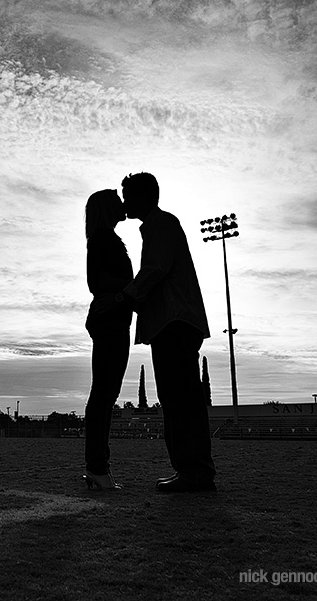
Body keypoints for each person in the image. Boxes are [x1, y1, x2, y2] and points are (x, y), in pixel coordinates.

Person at [112, 172, 216, 492]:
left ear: (143, 197)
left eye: (127, 195)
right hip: (173, 323)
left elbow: (156, 270)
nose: (124, 202)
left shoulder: (161, 225)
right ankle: (192, 469)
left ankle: (194, 471)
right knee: (178, 398)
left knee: (179, 399)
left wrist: (124, 297)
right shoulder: (159, 226)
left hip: (174, 324)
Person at [82, 189, 134, 491]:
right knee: (103, 395)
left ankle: (97, 467)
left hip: (112, 319)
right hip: (110, 320)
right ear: (106, 208)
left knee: (104, 394)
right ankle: (97, 467)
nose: (122, 204)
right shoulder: (103, 238)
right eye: (116, 200)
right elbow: (99, 281)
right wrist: (136, 285)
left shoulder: (105, 238)